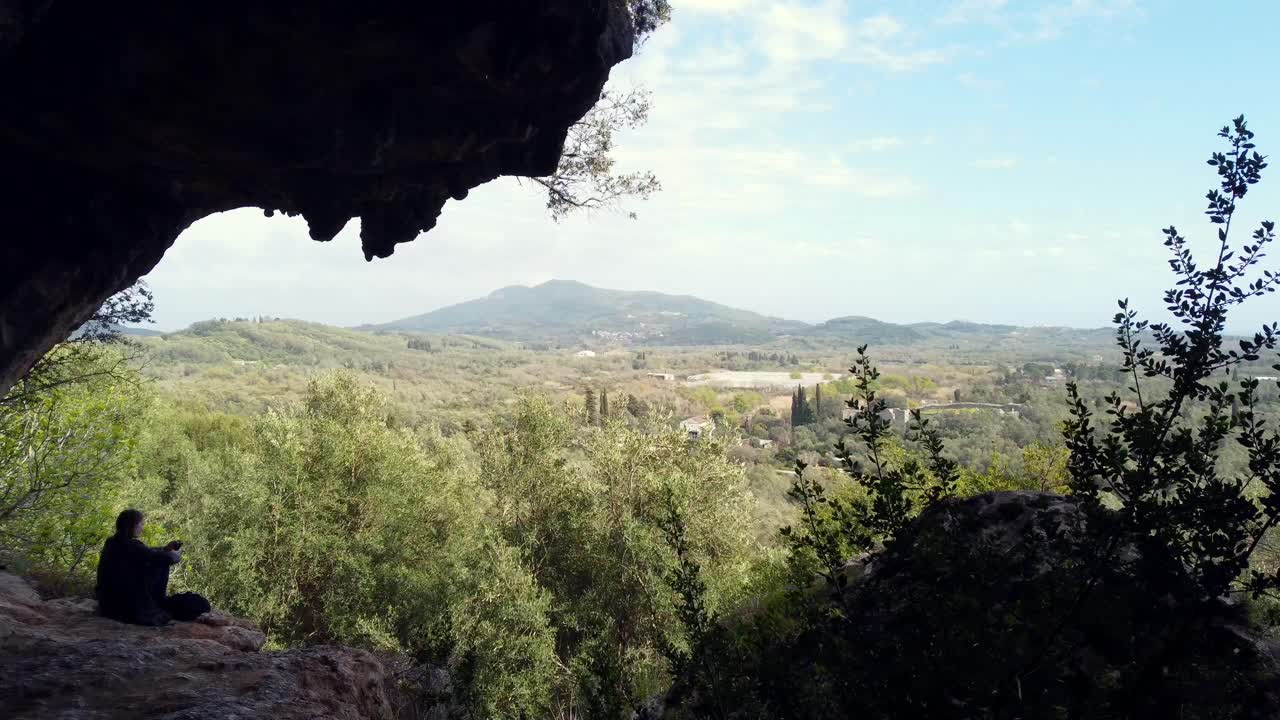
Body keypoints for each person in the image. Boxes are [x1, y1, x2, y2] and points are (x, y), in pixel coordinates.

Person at [95, 509, 209, 625]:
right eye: (141, 524)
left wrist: (165, 549)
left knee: (153, 561)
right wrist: (176, 554)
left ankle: (156, 600)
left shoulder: (113, 542)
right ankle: (157, 601)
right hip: (125, 607)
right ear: (132, 525)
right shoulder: (130, 545)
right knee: (159, 563)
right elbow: (167, 559)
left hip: (107, 603)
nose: (142, 527)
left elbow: (147, 552)